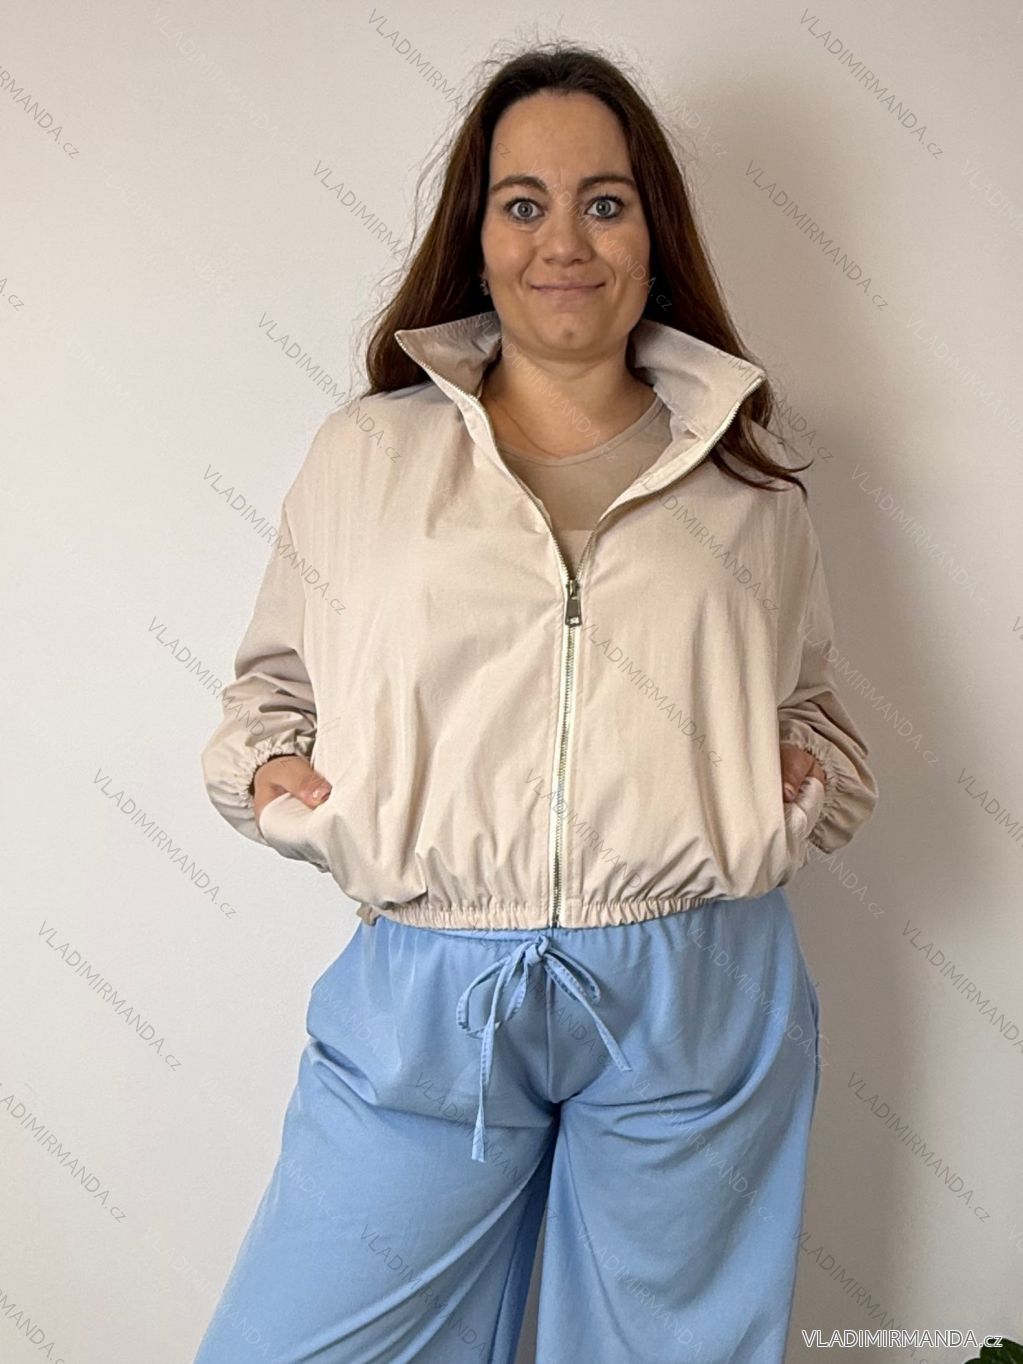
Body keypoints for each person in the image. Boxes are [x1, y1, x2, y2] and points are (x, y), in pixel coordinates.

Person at [193, 42, 879, 1364]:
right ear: (480, 232)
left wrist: (789, 797)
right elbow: (270, 692)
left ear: (653, 234)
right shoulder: (369, 453)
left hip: (696, 990)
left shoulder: (745, 482)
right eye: (525, 203)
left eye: (603, 202)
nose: (564, 241)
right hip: (426, 994)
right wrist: (279, 786)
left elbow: (818, 721)